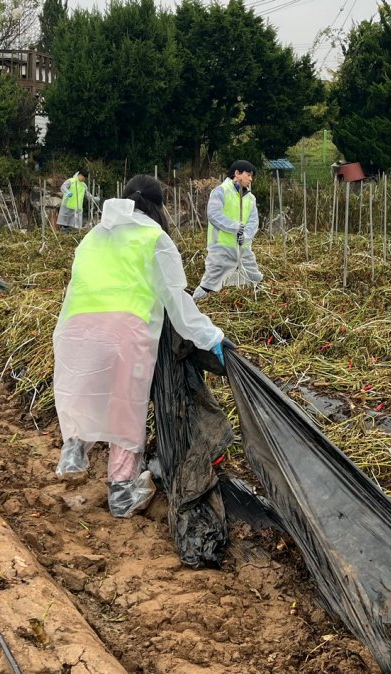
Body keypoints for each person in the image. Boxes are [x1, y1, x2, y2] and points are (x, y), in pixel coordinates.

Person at [53, 175, 228, 518]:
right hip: (125, 331)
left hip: (75, 327)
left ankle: (74, 451)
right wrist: (212, 338)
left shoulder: (93, 234)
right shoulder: (154, 237)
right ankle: (121, 493)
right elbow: (177, 302)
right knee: (123, 407)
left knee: (86, 390)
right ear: (158, 205)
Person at [192, 160, 264, 301]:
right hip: (221, 248)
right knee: (209, 283)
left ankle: (257, 303)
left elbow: (253, 222)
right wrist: (234, 226)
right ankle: (192, 306)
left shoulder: (250, 198)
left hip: (243, 249)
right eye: (248, 175)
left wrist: (246, 235)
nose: (250, 179)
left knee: (255, 278)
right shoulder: (220, 192)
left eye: (252, 176)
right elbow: (214, 215)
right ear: (237, 173)